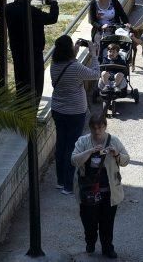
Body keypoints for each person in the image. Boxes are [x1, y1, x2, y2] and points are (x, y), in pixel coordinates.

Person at [71, 113, 129, 258]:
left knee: (107, 222)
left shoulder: (113, 141)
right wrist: (90, 151)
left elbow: (126, 160)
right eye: (94, 128)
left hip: (109, 191)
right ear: (90, 128)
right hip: (88, 190)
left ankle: (107, 247)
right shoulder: (83, 141)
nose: (97, 131)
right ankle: (90, 241)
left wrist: (116, 154)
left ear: (105, 126)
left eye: (100, 127)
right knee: (89, 221)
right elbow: (74, 160)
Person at [50, 35, 100, 196]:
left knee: (61, 145)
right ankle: (68, 185)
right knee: (71, 148)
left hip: (58, 110)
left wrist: (75, 50)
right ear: (69, 50)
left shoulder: (54, 64)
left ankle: (60, 181)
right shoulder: (75, 68)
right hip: (75, 112)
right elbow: (95, 74)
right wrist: (93, 54)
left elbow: (69, 65)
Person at [6, 0, 59, 97]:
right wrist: (54, 1)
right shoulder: (34, 13)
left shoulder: (8, 9)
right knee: (36, 87)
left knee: (20, 85)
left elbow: (21, 8)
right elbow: (52, 18)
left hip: (17, 53)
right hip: (34, 54)